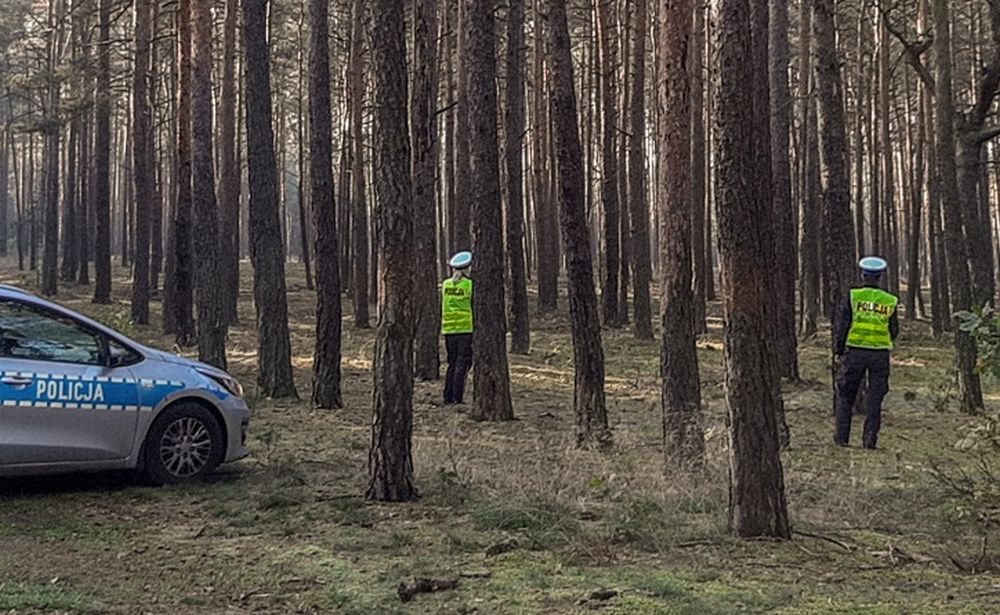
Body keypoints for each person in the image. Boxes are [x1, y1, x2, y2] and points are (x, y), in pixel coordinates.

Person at [834, 256, 899, 449]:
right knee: (875, 397)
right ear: (880, 276)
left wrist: (839, 349)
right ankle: (870, 439)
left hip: (856, 352)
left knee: (846, 394)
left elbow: (844, 325)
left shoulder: (854, 296)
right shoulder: (889, 300)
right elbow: (894, 330)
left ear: (863, 275)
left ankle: (841, 437)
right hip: (880, 355)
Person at [442, 251, 473, 405]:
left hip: (448, 329)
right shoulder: (469, 285)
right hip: (465, 329)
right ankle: (457, 397)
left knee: (452, 363)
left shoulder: (446, 285)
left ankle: (447, 396)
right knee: (463, 363)